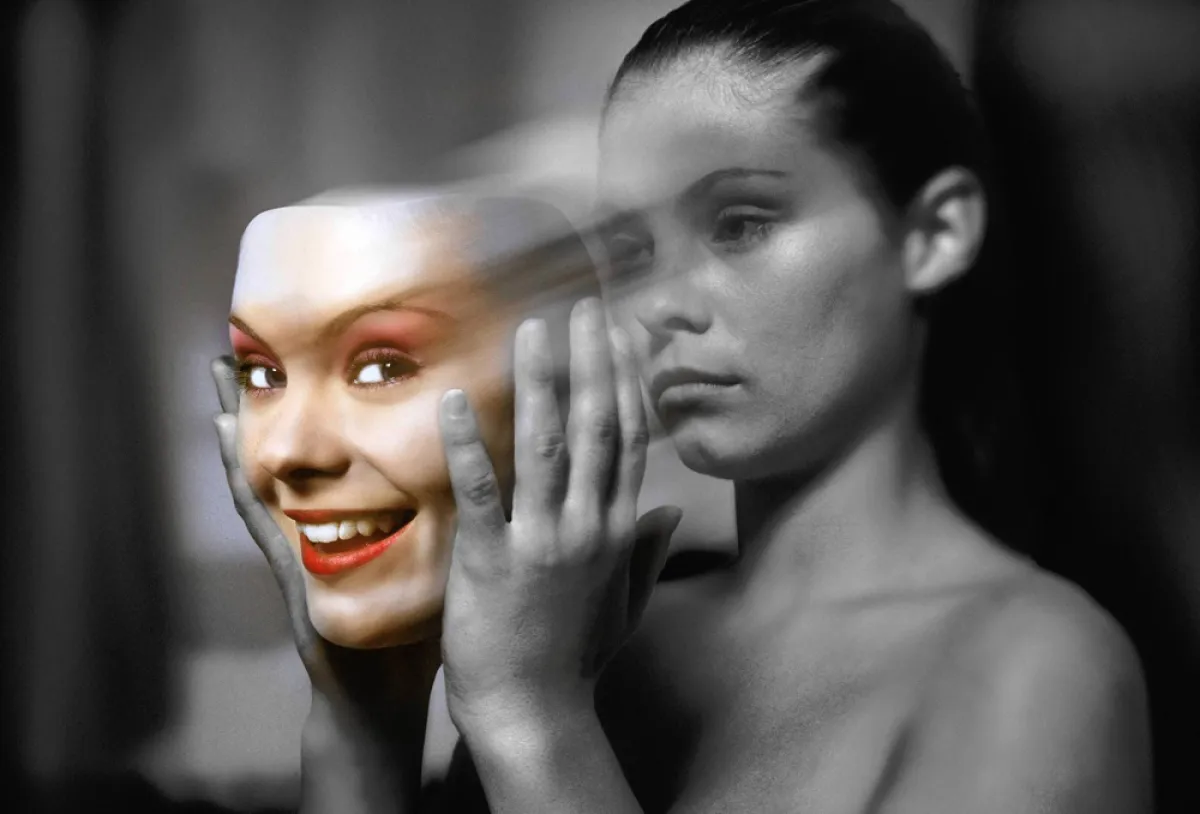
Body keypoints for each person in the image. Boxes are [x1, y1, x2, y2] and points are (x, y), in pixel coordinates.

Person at [214, 1, 1153, 811]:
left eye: (739, 224)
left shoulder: (1037, 664)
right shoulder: (592, 638)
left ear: (935, 232)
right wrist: (361, 718)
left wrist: (531, 719)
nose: (661, 303)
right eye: (631, 252)